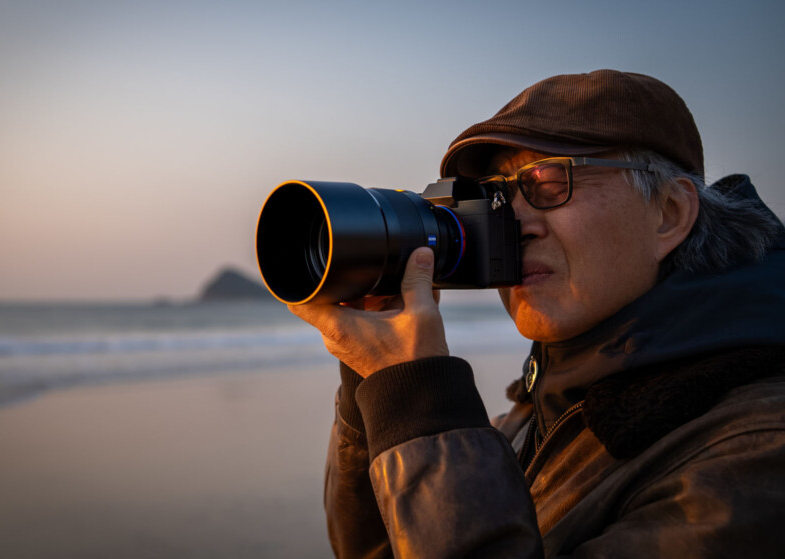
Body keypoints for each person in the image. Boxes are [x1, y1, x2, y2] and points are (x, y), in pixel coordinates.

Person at [290, 70, 785, 558]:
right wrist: (376, 388)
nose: (515, 226)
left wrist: (424, 401)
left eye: (548, 182)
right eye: (496, 196)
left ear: (669, 213)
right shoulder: (546, 411)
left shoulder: (756, 448)